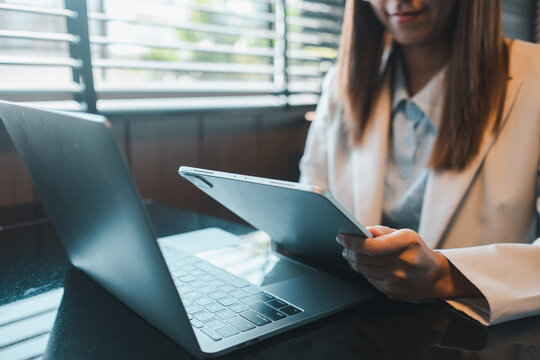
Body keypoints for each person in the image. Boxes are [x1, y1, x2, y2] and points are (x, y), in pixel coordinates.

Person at [299, 0, 540, 326]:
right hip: (359, 322)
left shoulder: (534, 75)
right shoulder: (341, 81)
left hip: (469, 336)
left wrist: (446, 276)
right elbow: (308, 206)